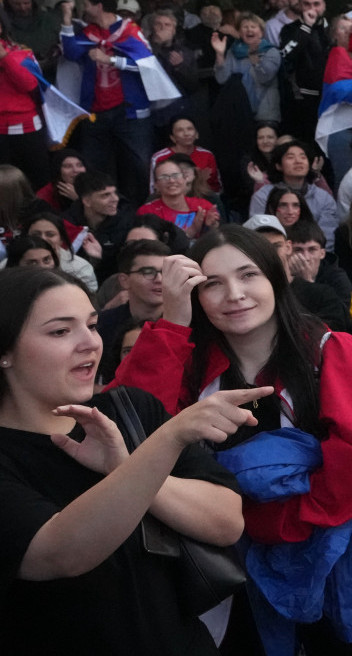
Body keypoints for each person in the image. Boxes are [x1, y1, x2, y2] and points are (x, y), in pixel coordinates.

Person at [110, 225, 352, 654]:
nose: (234, 294)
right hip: (226, 567)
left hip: (334, 557)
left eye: (248, 275)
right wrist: (173, 322)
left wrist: (275, 523)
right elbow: (131, 426)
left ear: (276, 278)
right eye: (213, 284)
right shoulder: (191, 366)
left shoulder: (330, 350)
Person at [0, 265, 262, 655]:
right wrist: (167, 441)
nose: (89, 342)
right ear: (5, 352)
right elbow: (58, 552)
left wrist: (125, 467)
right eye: (60, 331)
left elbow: (226, 522)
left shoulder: (130, 409)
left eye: (92, 325)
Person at [59, 0, 176, 202]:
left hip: (130, 112)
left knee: (139, 165)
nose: (84, 8)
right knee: (95, 167)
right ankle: (102, 209)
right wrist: (66, 21)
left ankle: (144, 208)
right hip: (95, 112)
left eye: (86, 4)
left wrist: (111, 60)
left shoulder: (129, 31)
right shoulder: (88, 33)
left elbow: (146, 64)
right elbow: (71, 52)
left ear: (98, 6)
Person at [248, 140, 339, 249]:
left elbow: (327, 239)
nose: (298, 161)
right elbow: (258, 235)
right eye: (290, 157)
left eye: (303, 157)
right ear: (278, 165)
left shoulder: (323, 198)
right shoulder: (263, 196)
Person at [0, 15, 52, 188]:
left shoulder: (20, 53)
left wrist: (5, 58)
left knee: (37, 182)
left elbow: (30, 85)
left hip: (26, 127)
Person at [94, 239, 170, 351]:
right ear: (124, 281)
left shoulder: (187, 322)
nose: (159, 279)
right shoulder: (102, 326)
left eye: (165, 271)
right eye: (148, 272)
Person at [276, 0, 330, 138]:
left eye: (316, 4)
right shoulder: (289, 30)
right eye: (307, 4)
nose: (312, 9)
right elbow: (286, 55)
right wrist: (306, 27)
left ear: (324, 5)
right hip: (303, 100)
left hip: (332, 96)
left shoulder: (332, 28)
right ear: (299, 5)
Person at [212, 13, 281, 125]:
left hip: (265, 113)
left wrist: (255, 59)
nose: (249, 30)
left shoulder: (271, 52)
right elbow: (221, 79)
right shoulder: (232, 52)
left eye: (253, 27)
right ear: (239, 32)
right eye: (245, 27)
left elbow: (265, 79)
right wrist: (220, 54)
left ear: (261, 32)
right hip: (238, 111)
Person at [137, 159, 219, 239]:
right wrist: (191, 231)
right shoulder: (148, 212)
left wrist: (212, 226)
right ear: (156, 185)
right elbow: (150, 245)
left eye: (175, 175)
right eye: (164, 177)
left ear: (185, 179)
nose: (171, 180)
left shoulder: (203, 206)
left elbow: (218, 239)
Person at [148, 116, 222, 194]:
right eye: (180, 130)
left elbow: (215, 186)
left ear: (197, 134)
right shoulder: (159, 158)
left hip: (202, 198)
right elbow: (154, 189)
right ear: (172, 137)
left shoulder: (207, 155)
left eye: (190, 129)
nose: (186, 134)